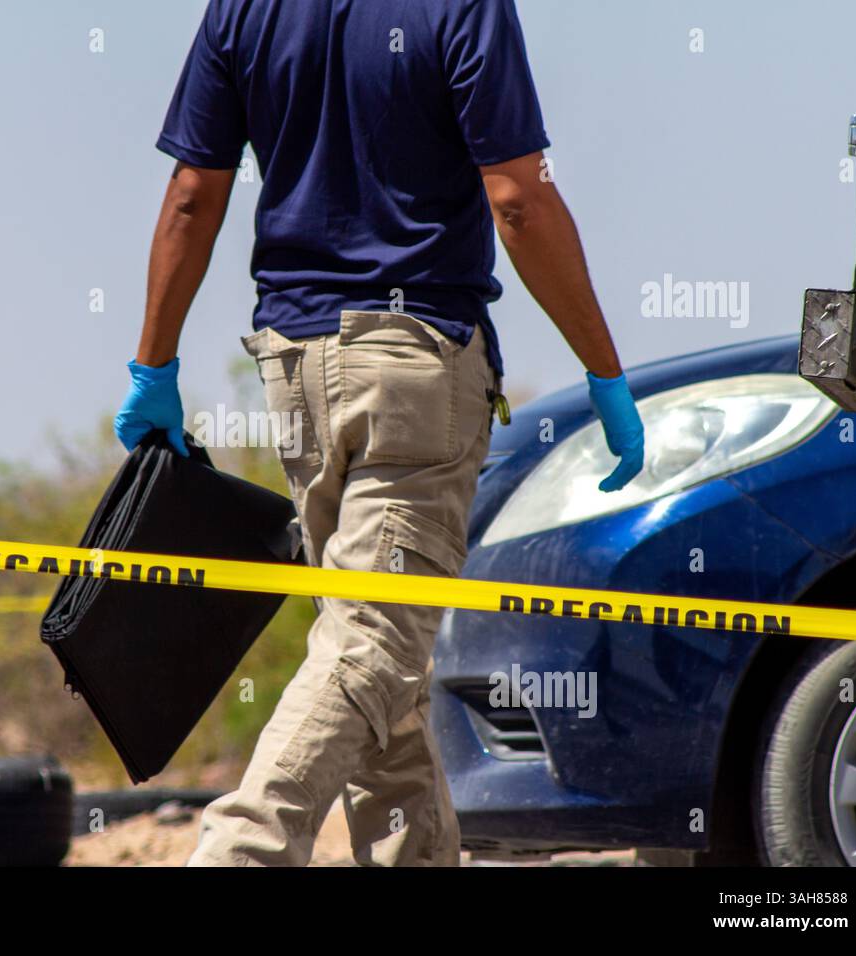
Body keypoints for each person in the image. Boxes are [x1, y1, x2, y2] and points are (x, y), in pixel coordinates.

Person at [113, 0, 645, 866]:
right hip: (415, 369)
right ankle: (242, 847)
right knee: (372, 644)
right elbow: (517, 199)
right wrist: (605, 370)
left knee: (381, 665)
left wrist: (154, 366)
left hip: (294, 366)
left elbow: (191, 195)